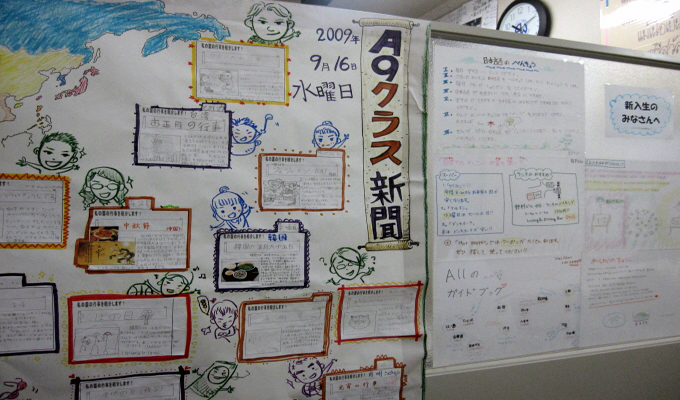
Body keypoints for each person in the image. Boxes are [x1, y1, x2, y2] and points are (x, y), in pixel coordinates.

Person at [16, 131, 83, 174]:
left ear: (73, 158)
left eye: (64, 155)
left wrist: (72, 167)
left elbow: (65, 169)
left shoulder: (57, 171)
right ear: (37, 151)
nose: (54, 158)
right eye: (48, 152)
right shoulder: (42, 168)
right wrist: (26, 163)